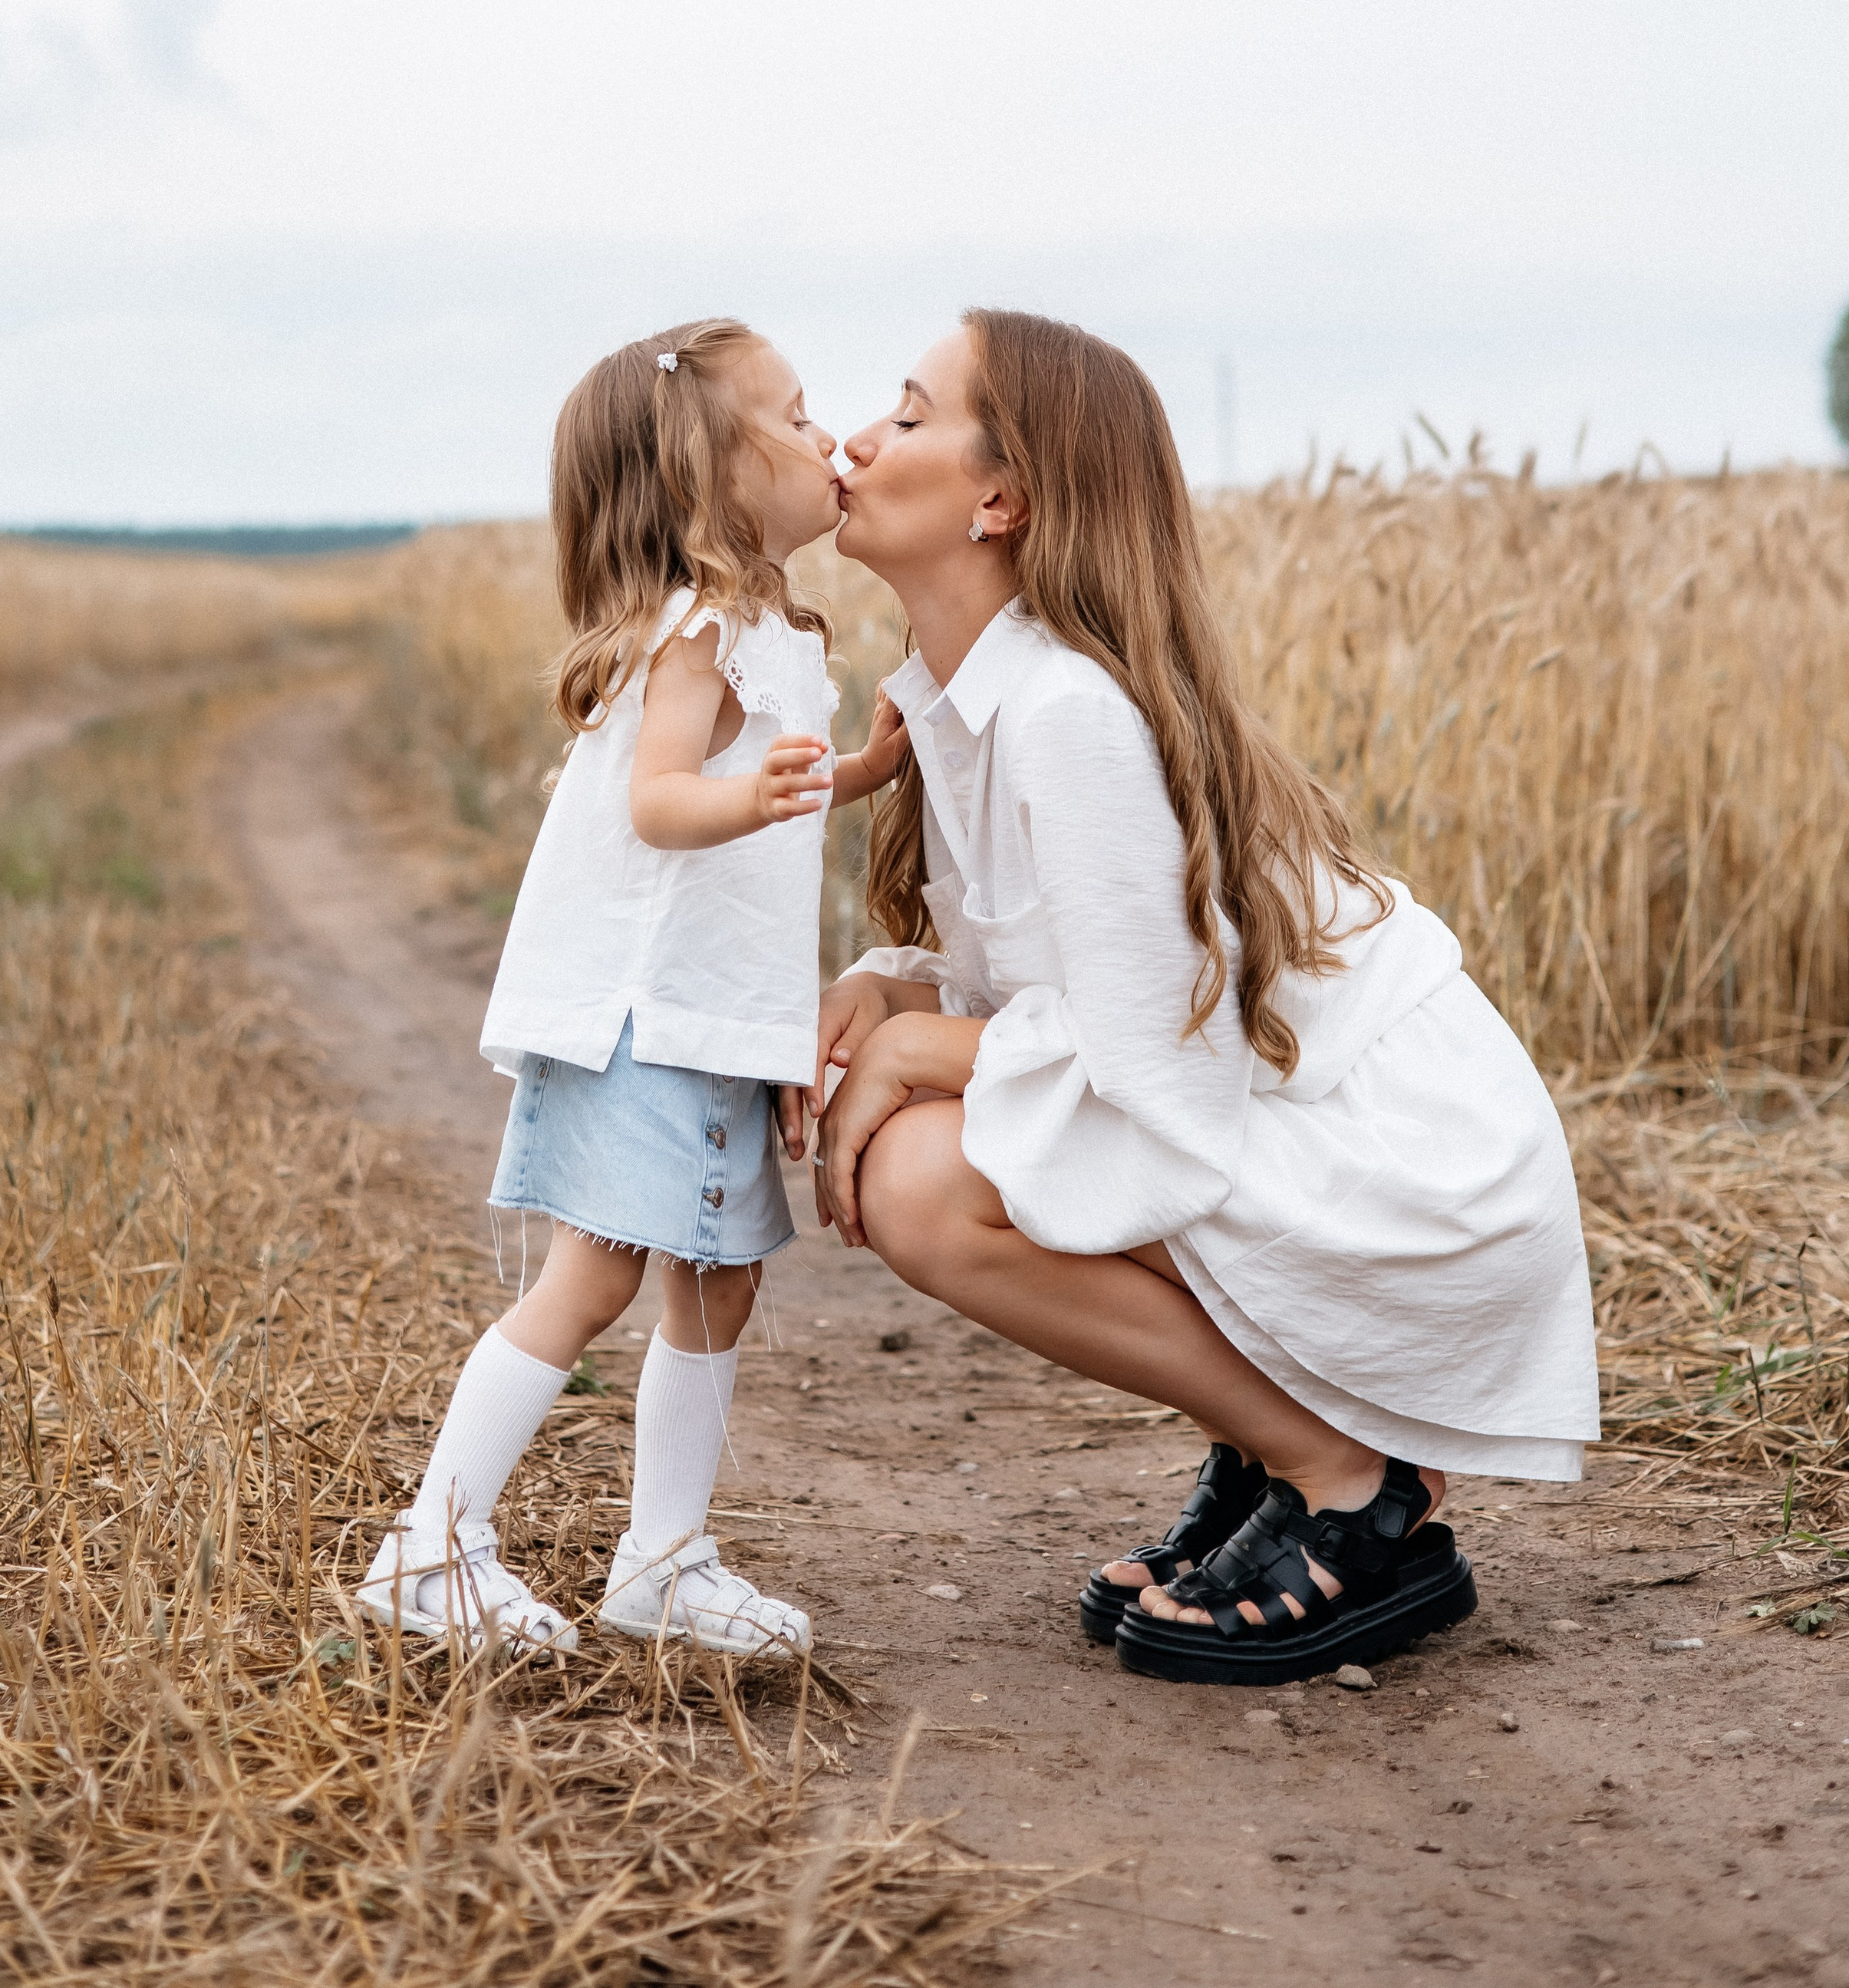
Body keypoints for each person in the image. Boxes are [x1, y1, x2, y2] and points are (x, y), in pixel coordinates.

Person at [810, 309, 1600, 1683]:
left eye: (911, 412)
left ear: (1002, 499)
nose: (859, 438)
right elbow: (1070, 972)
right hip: (1297, 1131)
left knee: (927, 1179)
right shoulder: (971, 699)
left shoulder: (1066, 711)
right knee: (934, 1135)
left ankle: (1352, 1485)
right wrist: (893, 998)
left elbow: (1158, 1073)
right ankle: (1277, 1455)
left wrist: (917, 1056)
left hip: (1415, 1180)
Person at [358, 318, 907, 1660]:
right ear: (707, 482)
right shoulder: (699, 630)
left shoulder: (773, 628)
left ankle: (663, 1556)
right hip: (638, 1022)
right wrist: (767, 789)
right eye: (793, 419)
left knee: (720, 1282)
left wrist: (854, 776)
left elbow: (752, 797)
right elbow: (667, 801)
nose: (829, 439)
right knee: (592, 1281)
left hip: (704, 1016)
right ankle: (430, 1550)